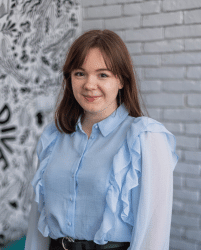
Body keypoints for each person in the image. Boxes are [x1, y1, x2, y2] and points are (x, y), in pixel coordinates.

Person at [25, 29, 179, 250]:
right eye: (80, 73)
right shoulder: (53, 136)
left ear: (122, 81)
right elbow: (37, 220)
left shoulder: (145, 138)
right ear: (69, 78)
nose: (89, 84)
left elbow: (153, 232)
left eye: (103, 74)